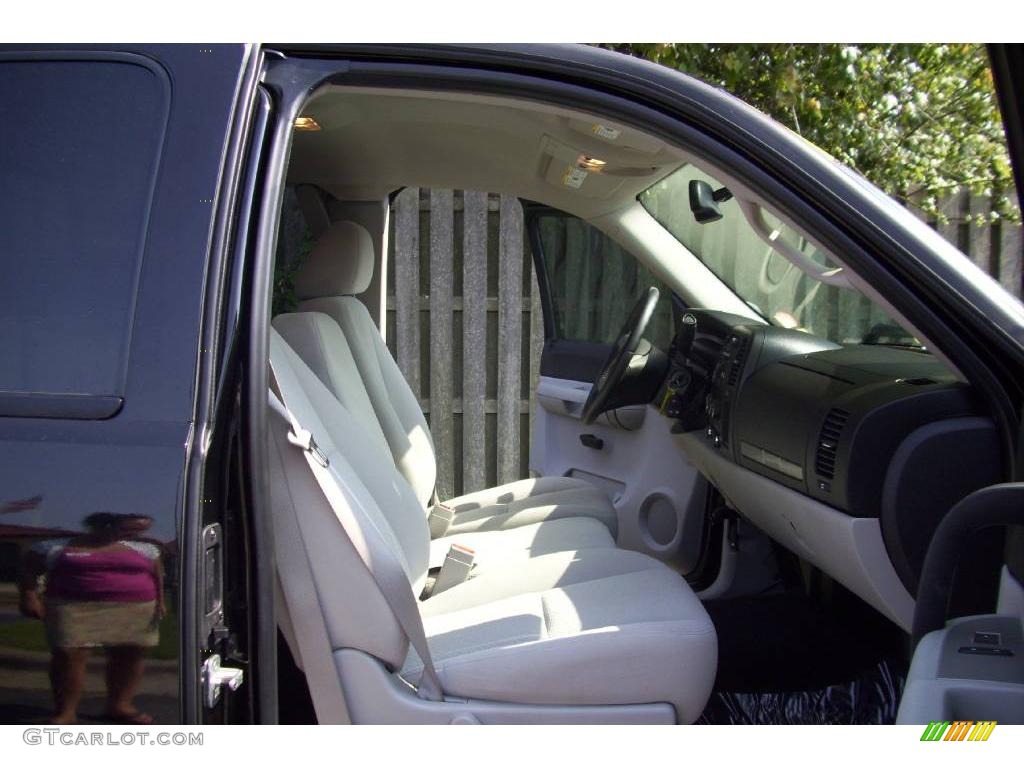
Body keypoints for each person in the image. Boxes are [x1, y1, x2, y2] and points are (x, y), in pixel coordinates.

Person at [19, 512, 165, 725]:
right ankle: (66, 712)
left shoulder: (146, 549)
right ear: (103, 525)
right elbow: (29, 570)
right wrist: (29, 596)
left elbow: (157, 575)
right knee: (69, 654)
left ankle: (119, 705)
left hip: (136, 608)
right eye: (126, 529)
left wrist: (160, 601)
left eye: (135, 531)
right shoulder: (54, 547)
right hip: (73, 607)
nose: (131, 535)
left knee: (129, 654)